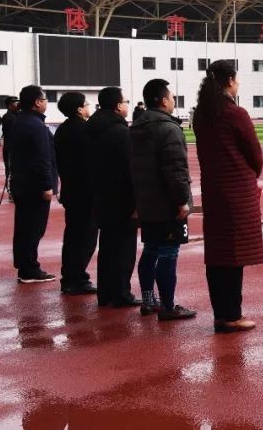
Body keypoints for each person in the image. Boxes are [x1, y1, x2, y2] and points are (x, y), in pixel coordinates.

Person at [193, 59, 263, 333]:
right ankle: (232, 315)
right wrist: (249, 174)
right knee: (234, 254)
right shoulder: (236, 114)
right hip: (236, 191)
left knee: (218, 252)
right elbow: (255, 155)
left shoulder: (202, 114)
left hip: (213, 190)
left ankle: (222, 312)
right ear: (230, 81)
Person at [130, 79, 197, 321]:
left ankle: (149, 299)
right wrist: (182, 202)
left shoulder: (135, 127)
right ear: (162, 100)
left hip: (146, 202)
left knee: (151, 250)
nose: (172, 101)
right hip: (166, 204)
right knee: (169, 253)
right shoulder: (169, 129)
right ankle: (168, 306)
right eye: (170, 97)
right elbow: (176, 169)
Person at [87, 86, 139, 306]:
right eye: (125, 101)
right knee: (123, 249)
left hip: (100, 195)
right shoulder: (120, 133)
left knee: (107, 247)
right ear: (118, 106)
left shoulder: (91, 128)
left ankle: (107, 293)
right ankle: (120, 293)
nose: (127, 105)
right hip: (121, 198)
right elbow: (131, 169)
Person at [9, 85, 58, 283]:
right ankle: (29, 268)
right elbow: (41, 158)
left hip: (21, 183)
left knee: (24, 227)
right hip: (34, 186)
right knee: (33, 228)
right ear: (37, 102)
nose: (46, 102)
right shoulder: (36, 126)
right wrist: (47, 185)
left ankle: (24, 265)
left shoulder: (19, 121)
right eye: (45, 99)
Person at [53, 92, 97, 295]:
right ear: (79, 109)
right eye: (86, 104)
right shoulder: (84, 130)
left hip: (71, 190)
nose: (89, 107)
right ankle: (77, 277)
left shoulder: (62, 130)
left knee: (72, 236)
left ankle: (70, 276)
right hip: (85, 192)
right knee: (85, 237)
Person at [1, 96, 19, 199]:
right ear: (9, 106)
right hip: (10, 148)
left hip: (18, 148)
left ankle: (17, 189)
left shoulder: (19, 115)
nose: (17, 105)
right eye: (15, 103)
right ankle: (11, 191)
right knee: (10, 170)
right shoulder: (8, 117)